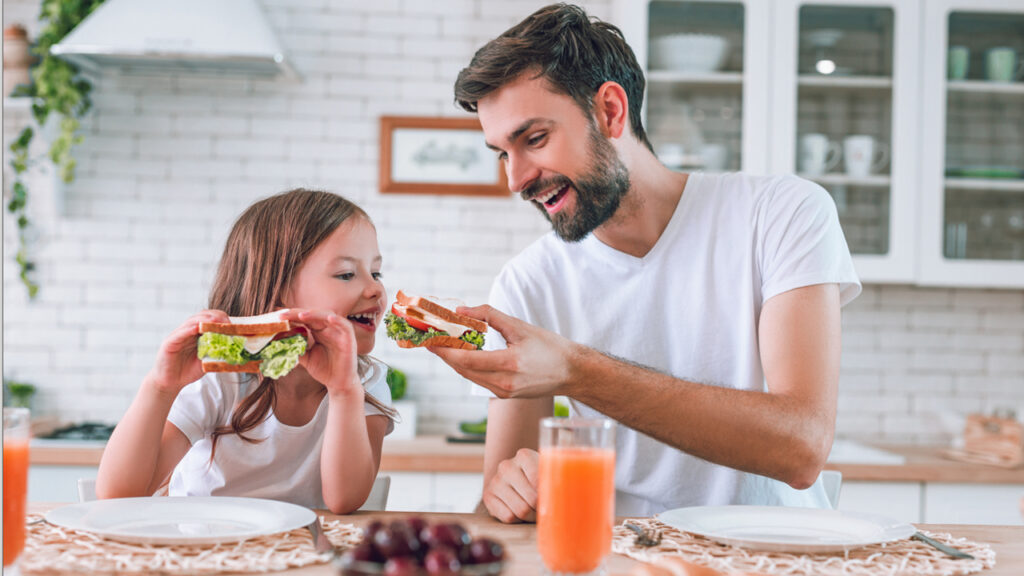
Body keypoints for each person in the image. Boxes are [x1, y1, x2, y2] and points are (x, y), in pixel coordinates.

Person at [432, 3, 862, 522]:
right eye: (503, 152)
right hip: (621, 557)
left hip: (771, 554)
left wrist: (575, 370)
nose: (516, 179)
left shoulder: (780, 213)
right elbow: (504, 508)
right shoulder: (529, 285)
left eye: (535, 139)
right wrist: (509, 493)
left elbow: (801, 446)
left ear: (610, 111)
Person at [95, 189, 396, 513]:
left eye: (376, 272)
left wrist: (343, 390)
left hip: (302, 554)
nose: (376, 288)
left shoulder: (365, 382)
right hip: (208, 546)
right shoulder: (218, 379)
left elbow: (344, 500)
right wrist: (159, 387)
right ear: (276, 289)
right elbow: (120, 496)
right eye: (346, 274)